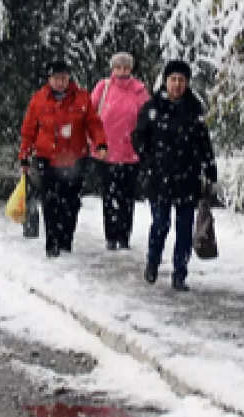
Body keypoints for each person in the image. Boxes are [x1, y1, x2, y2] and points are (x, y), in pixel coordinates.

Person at [132, 60, 218, 291]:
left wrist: (210, 170)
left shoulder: (194, 109)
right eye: (173, 79)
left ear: (187, 82)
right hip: (159, 177)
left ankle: (180, 273)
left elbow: (204, 143)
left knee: (184, 228)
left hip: (187, 178)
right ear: (166, 81)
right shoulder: (152, 108)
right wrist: (148, 161)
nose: (177, 85)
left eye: (181, 80)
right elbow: (139, 138)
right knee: (160, 224)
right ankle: (153, 261)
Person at [19, 61, 107, 258]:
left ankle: (66, 240)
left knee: (71, 203)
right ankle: (53, 244)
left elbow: (94, 124)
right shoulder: (39, 99)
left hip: (75, 159)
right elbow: (28, 131)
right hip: (47, 159)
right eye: (56, 78)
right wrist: (24, 156)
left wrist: (100, 143)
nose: (60, 82)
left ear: (69, 79)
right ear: (49, 79)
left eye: (63, 78)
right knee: (50, 203)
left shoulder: (81, 98)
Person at [92, 53, 150, 251]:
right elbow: (91, 114)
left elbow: (147, 118)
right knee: (109, 195)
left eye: (126, 67)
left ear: (131, 69)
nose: (122, 71)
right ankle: (111, 235)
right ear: (113, 69)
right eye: (119, 67)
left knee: (127, 196)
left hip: (131, 153)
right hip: (106, 152)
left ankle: (124, 235)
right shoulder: (103, 87)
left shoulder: (139, 90)